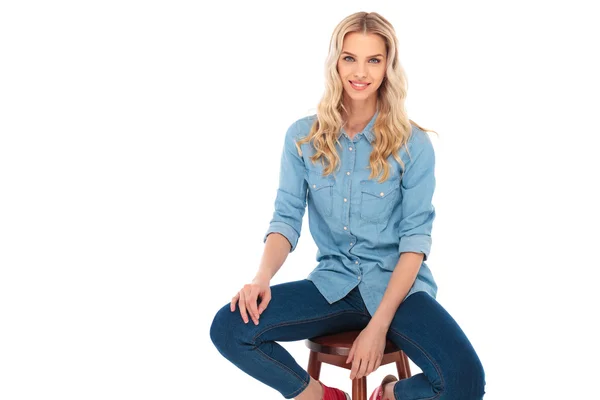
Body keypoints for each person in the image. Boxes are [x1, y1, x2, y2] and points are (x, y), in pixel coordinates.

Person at [210, 11, 486, 400]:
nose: (361, 71)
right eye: (349, 57)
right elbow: (286, 219)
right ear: (335, 62)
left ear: (388, 66)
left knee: (466, 380)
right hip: (332, 286)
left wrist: (378, 327)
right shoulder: (303, 138)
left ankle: (390, 396)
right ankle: (320, 397)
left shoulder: (414, 144)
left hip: (400, 290)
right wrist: (261, 279)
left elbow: (415, 242)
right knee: (230, 327)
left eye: (374, 59)